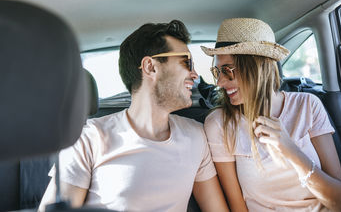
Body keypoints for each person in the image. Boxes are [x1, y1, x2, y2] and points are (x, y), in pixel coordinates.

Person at [39, 20, 229, 212]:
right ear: (150, 67)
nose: (195, 75)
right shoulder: (89, 139)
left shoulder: (196, 136)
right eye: (186, 62)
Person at [201, 18, 341, 212]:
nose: (219, 82)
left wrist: (289, 148)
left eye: (227, 71)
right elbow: (238, 207)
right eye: (217, 71)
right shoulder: (219, 123)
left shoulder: (307, 105)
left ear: (256, 67)